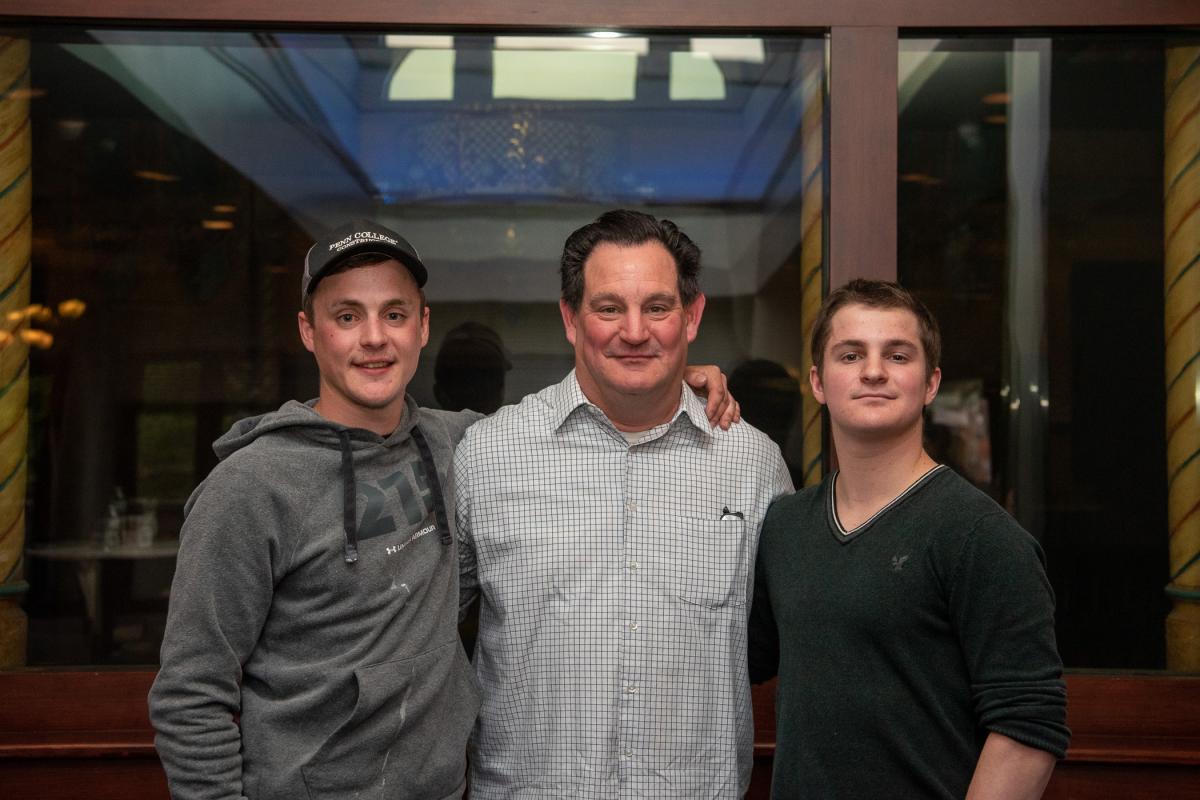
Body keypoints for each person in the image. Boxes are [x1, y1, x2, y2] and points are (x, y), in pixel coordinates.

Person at [148, 218, 739, 800]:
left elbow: (582, 411)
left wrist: (660, 378)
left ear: (423, 327)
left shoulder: (459, 445)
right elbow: (190, 695)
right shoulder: (250, 487)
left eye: (395, 315)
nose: (374, 337)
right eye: (347, 316)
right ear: (308, 331)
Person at [455, 209, 793, 799]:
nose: (634, 331)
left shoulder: (753, 465)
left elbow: (804, 639)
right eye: (609, 307)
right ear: (570, 318)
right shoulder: (488, 455)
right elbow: (415, 633)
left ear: (692, 316)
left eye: (658, 308)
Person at [748, 279, 1070, 799]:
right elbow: (734, 657)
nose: (873, 371)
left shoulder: (980, 537)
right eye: (850, 355)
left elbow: (1028, 727)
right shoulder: (786, 525)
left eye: (897, 355)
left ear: (931, 383)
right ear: (817, 381)